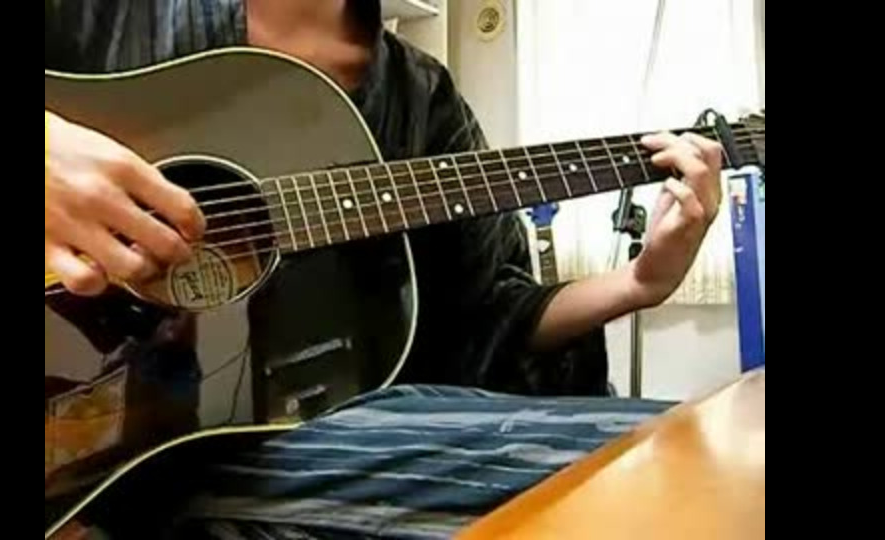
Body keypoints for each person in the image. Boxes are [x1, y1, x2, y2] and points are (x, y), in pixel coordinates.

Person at [45, 0, 724, 537]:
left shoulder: (420, 95)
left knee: (684, 453)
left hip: (272, 442)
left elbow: (490, 313)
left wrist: (641, 282)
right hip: (100, 452)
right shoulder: (103, 14)